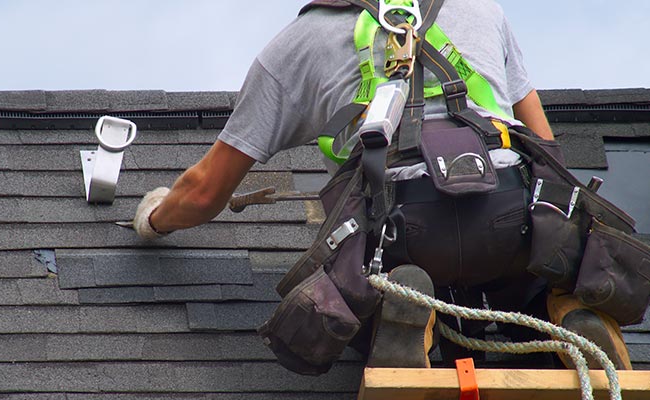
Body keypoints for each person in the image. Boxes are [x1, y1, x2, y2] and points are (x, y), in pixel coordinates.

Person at [133, 0, 631, 370]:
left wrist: (153, 218)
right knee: (541, 250)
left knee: (361, 278)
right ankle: (563, 309)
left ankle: (404, 312)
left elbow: (203, 192)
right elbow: (549, 154)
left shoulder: (296, 46)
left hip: (401, 233)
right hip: (513, 223)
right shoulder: (481, 8)